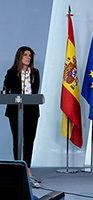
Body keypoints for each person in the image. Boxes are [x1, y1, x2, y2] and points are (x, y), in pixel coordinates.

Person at [4, 46, 41, 187]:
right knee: (18, 140)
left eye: (30, 56)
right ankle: (18, 169)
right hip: (15, 111)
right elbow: (7, 91)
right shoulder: (11, 73)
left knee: (29, 140)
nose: (28, 58)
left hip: (31, 111)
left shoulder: (35, 73)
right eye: (25, 55)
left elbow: (35, 92)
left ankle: (28, 170)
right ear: (19, 56)